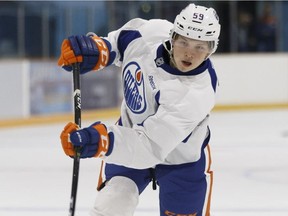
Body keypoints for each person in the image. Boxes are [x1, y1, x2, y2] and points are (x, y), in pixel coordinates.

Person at [58, 3, 221, 216]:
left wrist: (101, 141)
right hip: (129, 137)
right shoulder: (148, 35)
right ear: (172, 37)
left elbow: (149, 146)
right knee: (111, 205)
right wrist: (98, 51)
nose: (190, 53)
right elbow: (118, 42)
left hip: (182, 161)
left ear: (211, 49)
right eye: (184, 42)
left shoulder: (196, 93)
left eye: (200, 47)